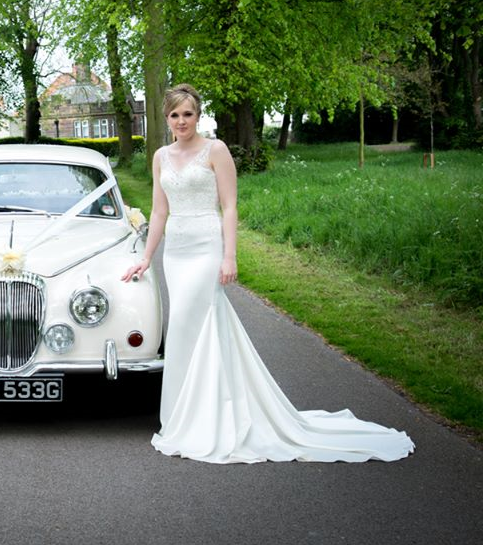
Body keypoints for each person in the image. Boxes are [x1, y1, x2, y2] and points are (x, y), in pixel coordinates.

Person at [122, 84, 414, 463]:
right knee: (182, 329)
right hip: (176, 253)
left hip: (207, 247)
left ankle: (212, 419)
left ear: (198, 115)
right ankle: (183, 417)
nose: (181, 121)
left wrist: (229, 256)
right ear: (166, 118)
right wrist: (147, 257)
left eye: (188, 114)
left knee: (194, 323)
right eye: (175, 115)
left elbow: (229, 207)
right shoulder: (161, 156)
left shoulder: (216, 150)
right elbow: (160, 211)